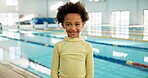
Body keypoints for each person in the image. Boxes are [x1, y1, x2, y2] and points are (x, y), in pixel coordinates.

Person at [51, 1, 94, 78]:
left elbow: (90, 73)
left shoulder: (87, 46)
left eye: (77, 24)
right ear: (63, 25)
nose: (73, 28)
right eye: (68, 24)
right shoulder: (58, 46)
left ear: (82, 25)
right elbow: (54, 71)